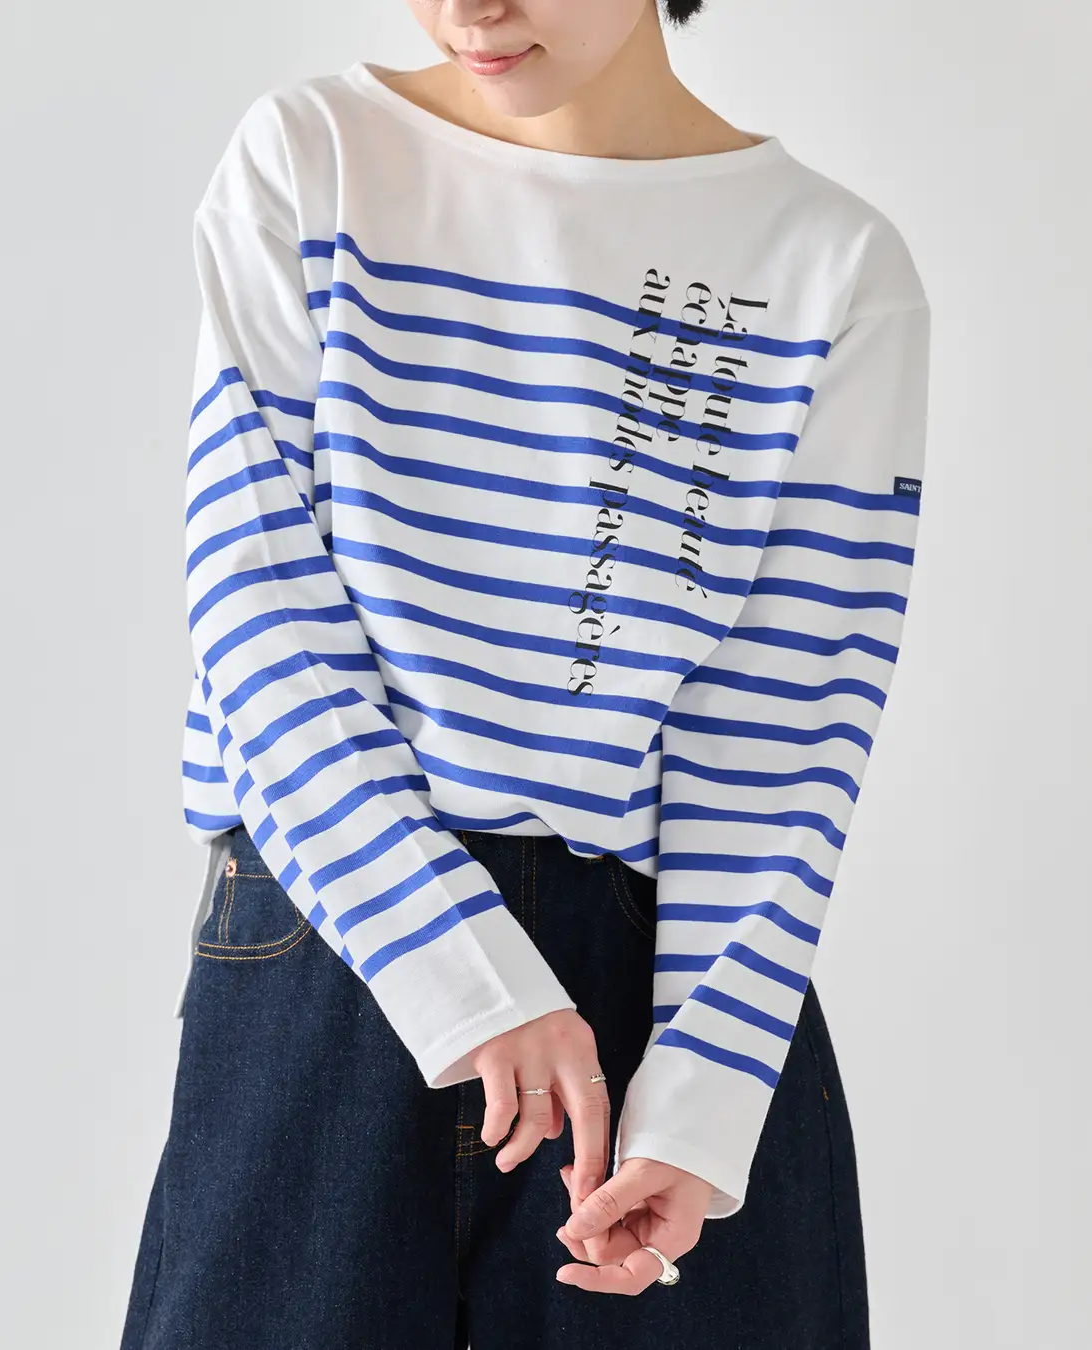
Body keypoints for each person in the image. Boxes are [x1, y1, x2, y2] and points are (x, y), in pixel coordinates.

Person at [120, 1, 930, 1345]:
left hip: (662, 1002)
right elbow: (257, 608)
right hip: (330, 939)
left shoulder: (832, 266)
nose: (468, 10)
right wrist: (466, 975)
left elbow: (785, 732)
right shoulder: (316, 159)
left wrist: (703, 1104)